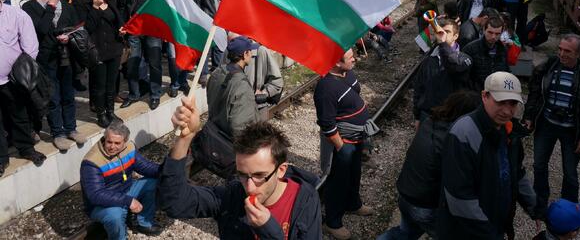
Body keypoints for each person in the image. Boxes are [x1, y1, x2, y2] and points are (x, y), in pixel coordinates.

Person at [161, 102, 322, 238]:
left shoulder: (305, 201)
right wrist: (184, 139)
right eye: (243, 175)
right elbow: (174, 202)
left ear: (281, 170)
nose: (250, 188)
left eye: (259, 175)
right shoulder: (233, 195)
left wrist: (269, 230)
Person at [440, 72, 537, 239]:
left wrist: (535, 207)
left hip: (493, 226)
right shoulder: (464, 133)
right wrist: (488, 234)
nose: (507, 111)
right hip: (468, 233)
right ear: (484, 96)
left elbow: (517, 173)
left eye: (513, 103)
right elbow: (459, 197)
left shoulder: (510, 132)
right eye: (500, 102)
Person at [378, 90, 481, 240]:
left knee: (405, 233)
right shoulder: (452, 139)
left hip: (406, 193)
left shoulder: (431, 121)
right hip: (424, 205)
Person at [523, 34, 580, 217]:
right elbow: (535, 93)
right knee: (539, 166)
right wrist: (529, 116)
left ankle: (568, 209)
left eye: (567, 51)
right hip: (546, 125)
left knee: (570, 172)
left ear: (578, 54)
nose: (561, 54)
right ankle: (540, 204)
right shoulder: (549, 66)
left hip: (571, 130)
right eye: (560, 49)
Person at [313, 49, 375, 240]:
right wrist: (340, 146)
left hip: (357, 138)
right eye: (350, 58)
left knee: (355, 173)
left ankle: (353, 204)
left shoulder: (347, 72)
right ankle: (333, 222)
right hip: (343, 142)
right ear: (337, 63)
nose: (355, 58)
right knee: (337, 181)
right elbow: (327, 124)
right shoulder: (326, 88)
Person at [23, 0, 86, 151]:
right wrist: (50, 6)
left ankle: (71, 128)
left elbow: (76, 28)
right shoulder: (30, 7)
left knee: (68, 94)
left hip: (66, 57)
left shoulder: (66, 6)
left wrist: (70, 36)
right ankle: (57, 132)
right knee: (52, 97)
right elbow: (41, 30)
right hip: (45, 59)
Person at [80, 122, 161, 239]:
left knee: (155, 182)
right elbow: (95, 195)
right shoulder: (91, 162)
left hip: (126, 190)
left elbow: (145, 167)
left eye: (117, 143)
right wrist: (128, 201)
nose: (112, 147)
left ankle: (143, 222)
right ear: (105, 138)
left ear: (125, 142)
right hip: (101, 204)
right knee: (115, 215)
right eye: (109, 142)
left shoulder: (129, 148)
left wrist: (166, 170)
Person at [0, 0, 46, 176]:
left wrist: (22, 72)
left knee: (19, 115)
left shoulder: (17, 14)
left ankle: (26, 148)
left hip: (13, 79)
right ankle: (1, 159)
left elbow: (30, 46)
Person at [74, 0, 124, 128]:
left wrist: (121, 29)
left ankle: (110, 111)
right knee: (99, 85)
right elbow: (87, 28)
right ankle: (101, 113)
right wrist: (95, 8)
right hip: (96, 51)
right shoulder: (80, 4)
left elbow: (117, 20)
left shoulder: (109, 0)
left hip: (113, 49)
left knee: (111, 84)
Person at [121, 0, 165, 110]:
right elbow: (126, 6)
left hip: (153, 30)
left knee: (154, 63)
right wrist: (125, 25)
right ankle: (134, 94)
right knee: (133, 62)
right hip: (135, 29)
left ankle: (155, 94)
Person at [413, 18, 472, 128]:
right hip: (428, 116)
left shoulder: (464, 59)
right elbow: (418, 88)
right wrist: (417, 116)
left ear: (456, 36)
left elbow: (453, 66)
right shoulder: (429, 59)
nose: (443, 34)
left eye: (447, 32)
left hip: (452, 118)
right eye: (440, 31)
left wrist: (443, 44)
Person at [208, 36, 261, 139]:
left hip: (214, 132)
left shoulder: (216, 73)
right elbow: (240, 126)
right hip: (229, 142)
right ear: (245, 54)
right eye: (250, 51)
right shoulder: (242, 85)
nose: (251, 54)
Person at [462, 15, 509, 92]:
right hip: (475, 93)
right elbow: (463, 76)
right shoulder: (470, 48)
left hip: (496, 92)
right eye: (490, 32)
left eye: (497, 34)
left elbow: (506, 70)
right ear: (484, 30)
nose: (493, 37)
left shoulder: (503, 49)